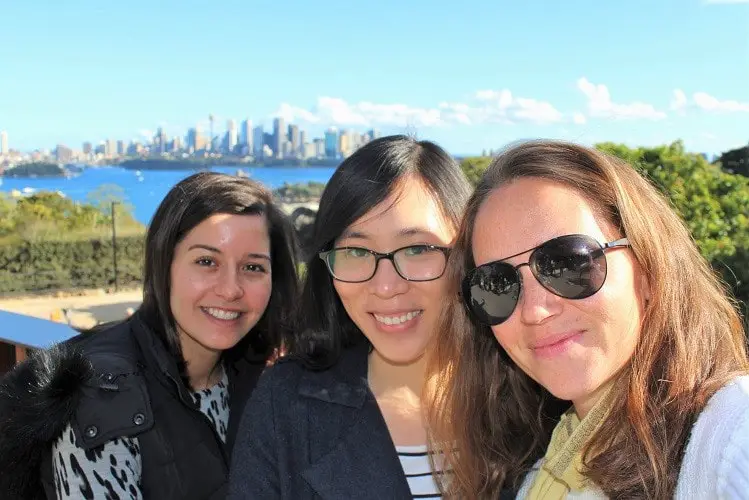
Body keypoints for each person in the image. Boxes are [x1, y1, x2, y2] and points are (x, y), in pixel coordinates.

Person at [426, 140, 749, 499]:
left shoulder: (731, 434)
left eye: (570, 263)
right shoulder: (545, 470)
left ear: (647, 269)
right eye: (497, 285)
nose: (535, 311)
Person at [0, 172, 299, 500]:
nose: (230, 289)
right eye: (206, 261)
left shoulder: (262, 378)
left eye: (253, 267)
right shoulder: (103, 395)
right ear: (164, 265)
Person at [227, 135, 473, 499]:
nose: (386, 287)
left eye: (418, 248)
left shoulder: (528, 402)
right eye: (357, 251)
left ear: (468, 252)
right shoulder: (286, 406)